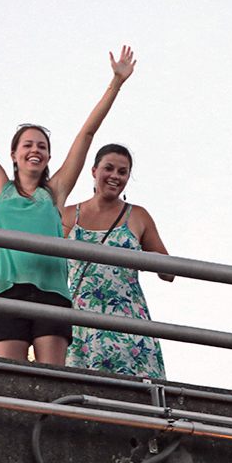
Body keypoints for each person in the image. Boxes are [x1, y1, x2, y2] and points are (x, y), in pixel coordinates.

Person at [0, 27, 136, 366]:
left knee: (50, 380)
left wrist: (116, 82)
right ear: (14, 154)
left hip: (52, 295)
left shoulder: (54, 193)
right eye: (28, 145)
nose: (35, 150)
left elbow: (87, 133)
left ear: (49, 157)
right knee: (11, 381)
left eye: (42, 146)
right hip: (6, 292)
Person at [63, 143, 173, 379]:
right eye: (108, 168)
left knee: (136, 399)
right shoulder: (68, 215)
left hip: (128, 322)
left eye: (122, 172)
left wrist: (141, 258)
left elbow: (169, 272)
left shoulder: (138, 216)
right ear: (94, 171)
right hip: (80, 321)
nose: (115, 176)